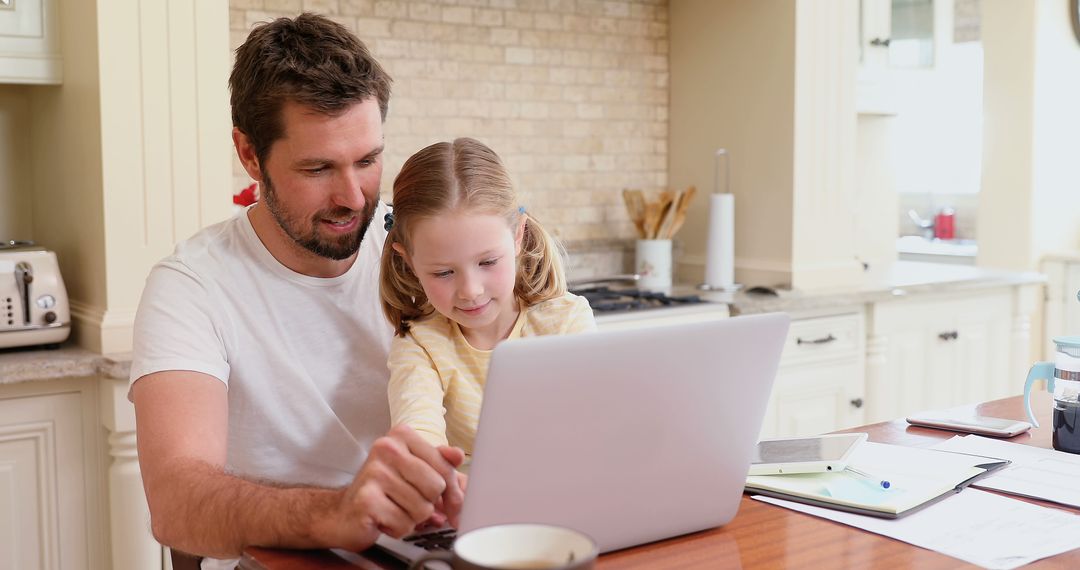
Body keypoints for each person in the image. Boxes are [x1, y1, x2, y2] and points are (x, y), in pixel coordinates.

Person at [128, 13, 463, 569]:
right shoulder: (191, 287)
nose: (354, 197)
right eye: (317, 168)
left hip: (425, 547)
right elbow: (175, 502)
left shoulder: (418, 247)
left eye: (368, 160)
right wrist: (336, 513)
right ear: (249, 154)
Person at [381, 138, 596, 457]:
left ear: (518, 236)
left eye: (487, 262)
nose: (470, 290)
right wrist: (425, 465)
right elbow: (418, 433)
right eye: (443, 273)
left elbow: (592, 427)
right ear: (409, 262)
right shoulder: (422, 346)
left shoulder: (566, 323)